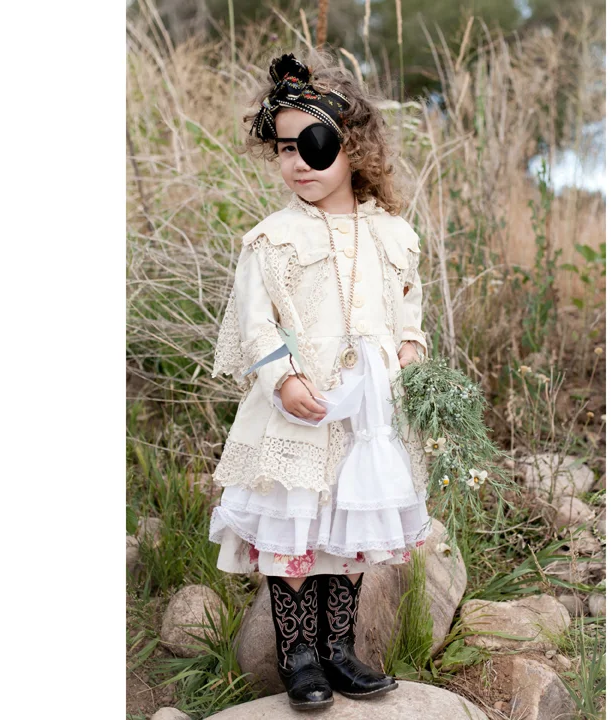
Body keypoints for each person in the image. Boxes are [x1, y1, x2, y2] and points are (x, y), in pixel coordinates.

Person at [209, 50, 433, 711]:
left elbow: (408, 306)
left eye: (312, 145)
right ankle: (298, 657)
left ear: (353, 146)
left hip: (367, 417)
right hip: (299, 410)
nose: (297, 163)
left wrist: (411, 349)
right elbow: (256, 324)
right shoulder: (272, 239)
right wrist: (281, 379)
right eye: (284, 149)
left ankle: (339, 650)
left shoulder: (394, 235)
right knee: (295, 532)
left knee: (350, 527)